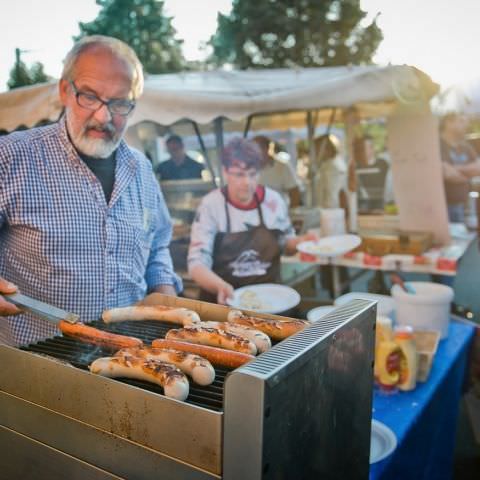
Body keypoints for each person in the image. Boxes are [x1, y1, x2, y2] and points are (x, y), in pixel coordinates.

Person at [0, 35, 181, 346]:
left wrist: (163, 287)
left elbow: (159, 243)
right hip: (37, 365)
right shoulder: (11, 157)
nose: (103, 116)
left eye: (119, 102)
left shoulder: (142, 169)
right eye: (89, 96)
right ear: (65, 91)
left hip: (132, 357)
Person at [187, 137, 316, 304]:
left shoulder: (274, 201)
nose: (247, 182)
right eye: (239, 175)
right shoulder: (211, 205)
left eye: (252, 174)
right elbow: (196, 263)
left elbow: (285, 243)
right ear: (225, 172)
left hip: (269, 302)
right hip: (224, 303)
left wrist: (302, 243)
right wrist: (219, 286)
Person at [440, 112, 480, 223]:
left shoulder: (464, 145)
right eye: (461, 121)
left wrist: (454, 169)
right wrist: (467, 173)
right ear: (448, 122)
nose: (466, 124)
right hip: (443, 207)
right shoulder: (437, 145)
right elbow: (446, 173)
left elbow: (478, 168)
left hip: (464, 205)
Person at [253, 135, 301, 207]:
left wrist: (289, 214)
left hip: (278, 214)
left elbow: (294, 192)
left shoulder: (282, 166)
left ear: (268, 148)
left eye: (260, 147)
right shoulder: (247, 168)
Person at [312, 134, 347, 208]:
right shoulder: (327, 165)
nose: (315, 153)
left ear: (326, 149)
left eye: (316, 149)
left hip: (330, 214)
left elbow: (332, 197)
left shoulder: (333, 167)